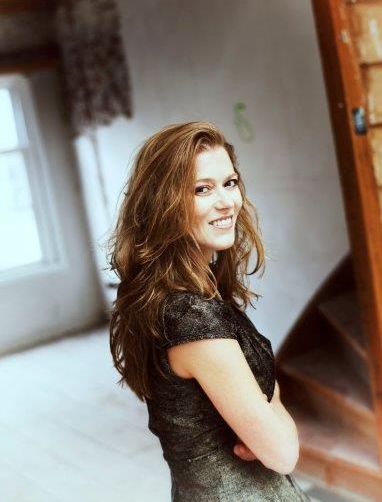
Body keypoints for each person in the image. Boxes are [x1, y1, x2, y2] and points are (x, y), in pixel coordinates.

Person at [108, 121, 311, 501]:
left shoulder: (171, 295)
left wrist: (263, 409)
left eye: (229, 183)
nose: (226, 202)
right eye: (202, 189)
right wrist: (273, 400)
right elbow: (282, 453)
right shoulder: (191, 318)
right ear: (164, 204)